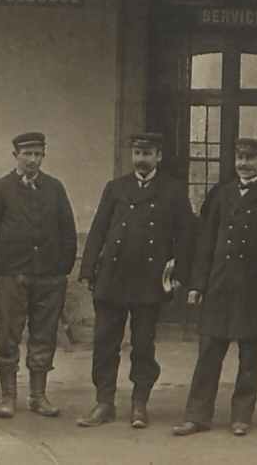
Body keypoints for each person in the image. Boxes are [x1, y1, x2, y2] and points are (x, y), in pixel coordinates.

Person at [172, 138, 257, 437]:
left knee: (249, 355)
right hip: (220, 284)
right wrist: (198, 284)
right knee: (208, 353)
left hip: (256, 288)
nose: (243, 163)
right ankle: (197, 415)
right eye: (239, 157)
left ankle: (241, 416)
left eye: (250, 158)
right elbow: (207, 241)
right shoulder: (223, 193)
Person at [77, 133, 195, 429]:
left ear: (159, 156)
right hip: (112, 277)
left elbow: (186, 237)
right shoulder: (115, 187)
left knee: (143, 345)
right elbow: (99, 229)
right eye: (137, 153)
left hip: (148, 280)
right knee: (105, 343)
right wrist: (88, 270)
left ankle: (139, 403)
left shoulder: (173, 190)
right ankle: (104, 402)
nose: (141, 159)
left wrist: (180, 275)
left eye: (147, 153)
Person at [0, 132, 77, 420]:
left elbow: (68, 230)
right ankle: (8, 396)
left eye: (37, 154)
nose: (32, 160)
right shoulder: (0, 189)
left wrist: (62, 267)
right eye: (27, 154)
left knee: (44, 335)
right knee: (8, 335)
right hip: (12, 276)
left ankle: (38, 395)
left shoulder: (55, 188)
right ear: (16, 155)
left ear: (43, 156)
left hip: (49, 277)